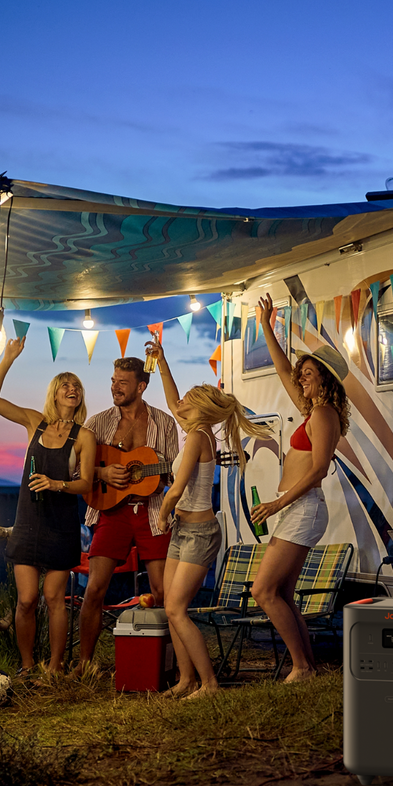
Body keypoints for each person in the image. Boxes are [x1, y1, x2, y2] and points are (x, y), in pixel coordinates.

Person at [149, 339, 269, 698]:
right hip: (185, 530)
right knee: (172, 610)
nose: (178, 403)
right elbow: (171, 401)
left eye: (186, 398)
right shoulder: (194, 432)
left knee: (176, 607)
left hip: (199, 532)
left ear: (198, 407)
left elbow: (176, 488)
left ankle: (210, 684)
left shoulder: (199, 438)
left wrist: (163, 515)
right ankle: (186, 680)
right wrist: (162, 360)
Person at [249, 293, 349, 682]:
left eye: (309, 373)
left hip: (302, 506)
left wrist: (276, 506)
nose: (301, 377)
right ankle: (308, 667)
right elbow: (282, 369)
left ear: (324, 378)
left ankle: (302, 666)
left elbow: (320, 469)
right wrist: (265, 326)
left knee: (264, 591)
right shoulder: (312, 411)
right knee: (282, 594)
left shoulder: (324, 414)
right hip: (296, 506)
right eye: (302, 373)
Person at [0, 336, 97, 677]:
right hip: (28, 522)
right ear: (54, 393)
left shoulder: (84, 437)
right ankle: (26, 666)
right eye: (65, 384)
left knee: (54, 599)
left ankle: (54, 668)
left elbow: (86, 484)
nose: (72, 388)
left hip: (61, 525)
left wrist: (56, 484)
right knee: (26, 600)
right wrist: (7, 358)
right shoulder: (34, 422)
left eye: (76, 385)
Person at [73, 356, 179, 676]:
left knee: (163, 593)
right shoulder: (98, 423)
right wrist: (103, 472)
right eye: (113, 380)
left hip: (154, 514)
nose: (114, 387)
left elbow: (175, 472)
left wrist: (162, 475)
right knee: (94, 589)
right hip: (112, 512)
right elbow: (75, 468)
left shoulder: (163, 423)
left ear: (141, 386)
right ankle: (84, 664)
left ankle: (167, 666)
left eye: (122, 382)